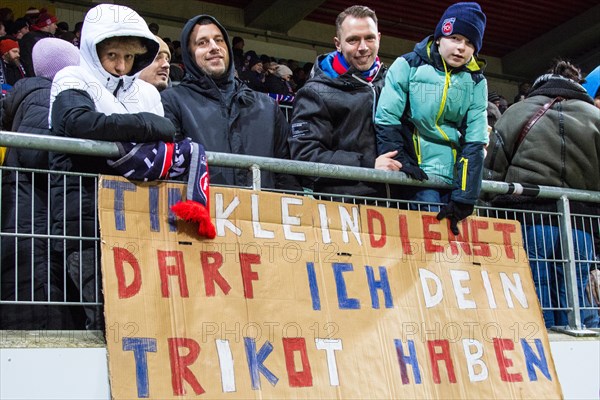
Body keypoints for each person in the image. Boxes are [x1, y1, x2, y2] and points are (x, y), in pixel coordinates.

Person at [49, 4, 177, 330]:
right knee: (106, 321)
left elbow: (167, 141)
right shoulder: (71, 78)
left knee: (149, 321)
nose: (121, 67)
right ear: (93, 50)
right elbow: (77, 122)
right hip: (85, 224)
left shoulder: (146, 92)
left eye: (130, 58)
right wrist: (146, 126)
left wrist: (123, 130)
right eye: (112, 56)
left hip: (141, 223)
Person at [485, 60, 600, 328]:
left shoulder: (517, 111)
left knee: (538, 291)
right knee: (576, 290)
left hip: (531, 216)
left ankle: (545, 353)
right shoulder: (595, 118)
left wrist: (487, 208)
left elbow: (492, 171)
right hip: (580, 222)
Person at [375, 2, 488, 234]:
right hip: (417, 177)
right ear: (439, 37)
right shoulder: (407, 65)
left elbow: (475, 140)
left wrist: (465, 196)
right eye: (455, 38)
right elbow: (387, 118)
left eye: (469, 43)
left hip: (454, 179)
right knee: (424, 243)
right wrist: (403, 162)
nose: (461, 48)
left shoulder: (477, 82)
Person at [161, 15, 299, 190]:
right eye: (202, 43)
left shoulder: (268, 107)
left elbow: (287, 174)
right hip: (202, 215)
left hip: (261, 214)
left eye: (219, 40)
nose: (214, 47)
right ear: (189, 54)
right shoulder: (172, 101)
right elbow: (173, 172)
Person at [1, 38, 81, 329]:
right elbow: (37, 153)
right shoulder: (45, 95)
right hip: (37, 216)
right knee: (39, 293)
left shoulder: (34, 93)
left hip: (30, 212)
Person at [289, 5, 400, 199]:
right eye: (353, 40)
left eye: (369, 38)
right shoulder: (315, 92)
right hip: (344, 207)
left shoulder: (395, 83)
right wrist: (368, 165)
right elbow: (306, 156)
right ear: (338, 43)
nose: (363, 47)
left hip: (399, 203)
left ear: (379, 39)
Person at [19, 11, 58, 76]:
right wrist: (33, 77)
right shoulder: (31, 37)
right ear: (47, 25)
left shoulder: (52, 37)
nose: (56, 27)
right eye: (54, 24)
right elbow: (27, 58)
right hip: (36, 77)